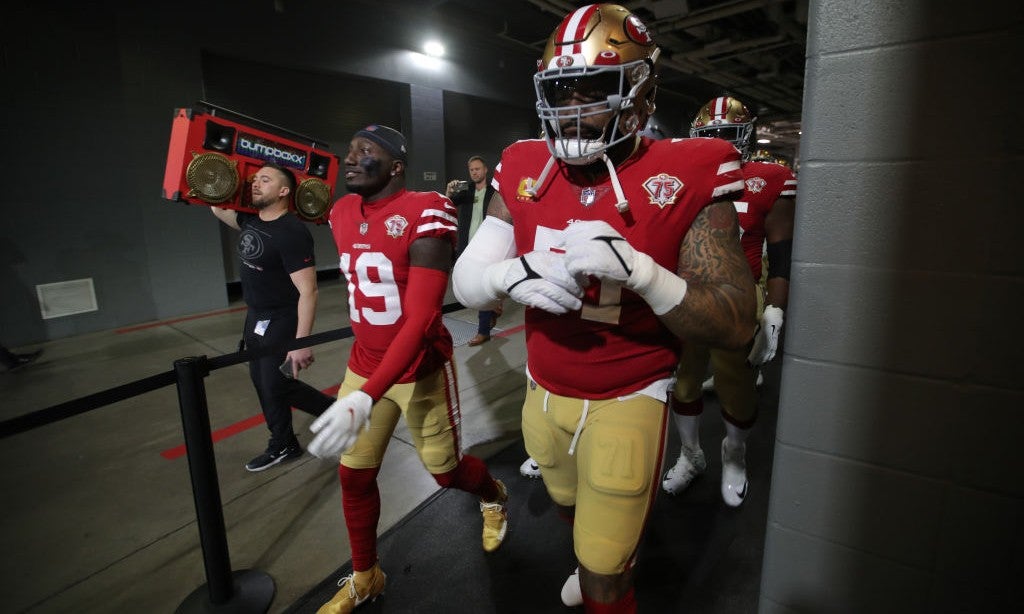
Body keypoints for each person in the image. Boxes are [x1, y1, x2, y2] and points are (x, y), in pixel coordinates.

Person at [451, 5, 756, 611]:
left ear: (642, 91)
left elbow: (734, 321)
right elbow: (465, 280)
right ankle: (598, 559)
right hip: (541, 389)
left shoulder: (688, 167)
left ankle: (608, 573)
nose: (573, 109)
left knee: (605, 575)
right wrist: (509, 274)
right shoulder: (522, 162)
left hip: (628, 395)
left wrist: (642, 273)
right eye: (561, 92)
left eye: (595, 89)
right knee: (571, 513)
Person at [306, 124, 509, 614]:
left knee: (446, 473)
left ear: (396, 165)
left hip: (419, 371)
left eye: (365, 151)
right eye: (349, 148)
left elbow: (420, 317)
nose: (351, 158)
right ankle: (365, 575)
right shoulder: (340, 210)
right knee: (353, 478)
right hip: (365, 367)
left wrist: (364, 395)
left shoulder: (425, 210)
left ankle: (494, 493)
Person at [661, 96, 797, 507]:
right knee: (683, 386)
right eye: (711, 135)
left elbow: (783, 252)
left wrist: (774, 308)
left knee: (736, 388)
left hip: (740, 296)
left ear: (746, 136)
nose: (719, 143)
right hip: (688, 294)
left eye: (727, 135)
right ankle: (690, 456)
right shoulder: (684, 176)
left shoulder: (770, 178)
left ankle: (733, 457)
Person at [210, 162, 335, 472]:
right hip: (255, 315)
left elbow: (309, 291)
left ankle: (294, 436)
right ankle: (311, 426)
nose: (255, 183)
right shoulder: (252, 221)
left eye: (264, 180)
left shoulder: (291, 232)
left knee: (272, 384)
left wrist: (301, 342)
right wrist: (217, 180)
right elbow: (217, 209)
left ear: (283, 191)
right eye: (254, 179)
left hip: (282, 316)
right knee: (263, 381)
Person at [446, 155, 501, 346]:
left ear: (485, 170)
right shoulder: (465, 190)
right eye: (471, 170)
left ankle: (483, 330)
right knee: (466, 284)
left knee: (480, 288)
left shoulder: (495, 192)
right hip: (466, 246)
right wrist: (449, 191)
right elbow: (448, 205)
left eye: (478, 169)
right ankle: (493, 308)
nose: (475, 172)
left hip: (487, 247)